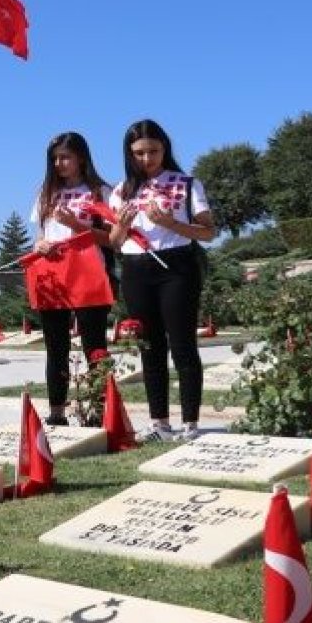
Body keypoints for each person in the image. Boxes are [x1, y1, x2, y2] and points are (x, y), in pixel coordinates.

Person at [109, 119, 217, 442]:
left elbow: (209, 232)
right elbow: (114, 241)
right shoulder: (122, 190)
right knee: (150, 347)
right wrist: (122, 226)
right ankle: (159, 422)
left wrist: (170, 222)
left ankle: (191, 423)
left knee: (183, 345)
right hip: (136, 268)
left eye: (153, 151)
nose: (146, 159)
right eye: (139, 153)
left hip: (177, 266)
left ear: (164, 148)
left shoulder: (186, 184)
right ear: (129, 155)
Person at [30, 132, 113, 426]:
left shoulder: (100, 191)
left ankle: (97, 410)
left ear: (81, 157)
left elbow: (114, 239)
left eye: (65, 157)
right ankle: (56, 412)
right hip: (52, 273)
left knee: (94, 344)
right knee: (56, 347)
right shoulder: (46, 191)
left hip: (88, 272)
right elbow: (42, 234)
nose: (59, 163)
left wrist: (76, 224)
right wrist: (39, 245)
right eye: (54, 159)